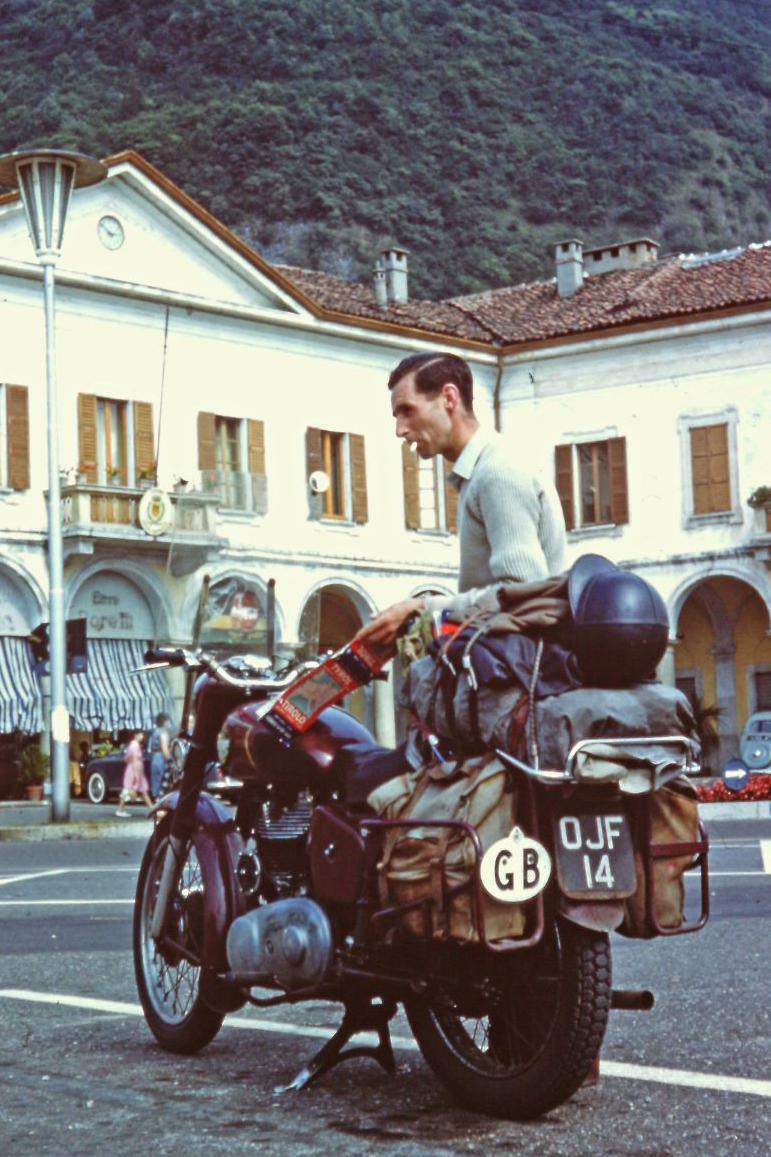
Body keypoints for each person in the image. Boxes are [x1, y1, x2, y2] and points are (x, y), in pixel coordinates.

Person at [357, 351, 567, 647]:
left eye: (408, 411)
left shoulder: (497, 473)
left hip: (520, 675)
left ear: (449, 398)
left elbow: (524, 593)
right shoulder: (485, 471)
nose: (400, 430)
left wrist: (422, 609)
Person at [115, 730, 152, 816]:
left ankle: (152, 809)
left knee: (142, 791)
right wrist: (135, 775)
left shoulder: (132, 745)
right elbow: (135, 761)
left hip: (135, 770)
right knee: (128, 790)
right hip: (134, 771)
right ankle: (120, 810)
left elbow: (126, 759)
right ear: (136, 735)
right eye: (141, 734)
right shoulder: (135, 746)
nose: (142, 736)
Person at [148, 712, 172, 800]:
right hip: (161, 758)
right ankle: (159, 800)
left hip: (154, 757)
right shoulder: (163, 733)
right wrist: (170, 760)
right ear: (165, 722)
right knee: (162, 781)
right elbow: (164, 749)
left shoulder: (155, 732)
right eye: (168, 721)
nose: (170, 723)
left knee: (155, 780)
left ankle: (155, 798)